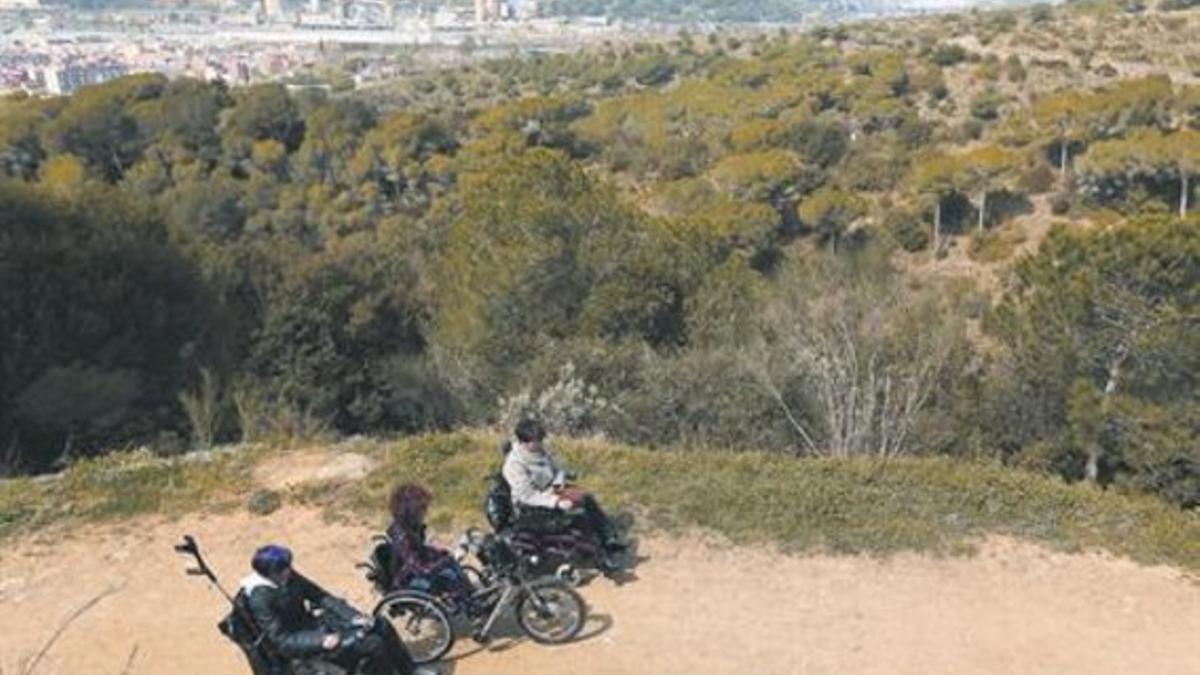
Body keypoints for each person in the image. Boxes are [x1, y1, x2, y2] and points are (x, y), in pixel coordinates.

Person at [242, 544, 431, 675]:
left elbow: (320, 596)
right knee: (373, 645)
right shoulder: (260, 599)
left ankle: (410, 670)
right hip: (307, 642)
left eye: (289, 567)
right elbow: (281, 640)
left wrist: (353, 617)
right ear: (270, 574)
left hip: (319, 624)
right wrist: (320, 640)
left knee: (380, 625)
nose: (290, 572)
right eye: (284, 570)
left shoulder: (285, 575)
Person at [502, 417, 627, 560]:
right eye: (536, 441)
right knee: (578, 510)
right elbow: (527, 495)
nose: (540, 444)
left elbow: (556, 468)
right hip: (532, 504)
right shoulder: (515, 464)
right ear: (523, 442)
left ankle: (608, 537)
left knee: (585, 497)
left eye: (540, 440)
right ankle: (596, 551)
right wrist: (555, 501)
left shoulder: (541, 452)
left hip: (552, 488)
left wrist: (563, 478)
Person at [386, 483, 477, 613]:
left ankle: (470, 600)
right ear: (410, 510)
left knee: (453, 567)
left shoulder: (411, 527)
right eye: (422, 509)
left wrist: (440, 555)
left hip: (411, 571)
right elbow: (419, 567)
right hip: (407, 579)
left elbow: (420, 550)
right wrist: (442, 562)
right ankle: (467, 607)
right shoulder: (403, 536)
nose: (425, 512)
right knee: (448, 576)